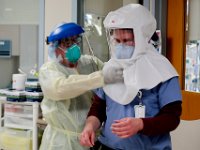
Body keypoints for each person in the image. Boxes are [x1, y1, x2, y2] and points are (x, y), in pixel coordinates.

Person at [80, 4, 182, 150]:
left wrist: (141, 124)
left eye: (127, 41)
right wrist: (90, 126)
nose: (121, 46)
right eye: (118, 41)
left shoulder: (162, 71)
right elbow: (99, 107)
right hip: (108, 146)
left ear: (142, 38)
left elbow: (172, 118)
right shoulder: (111, 68)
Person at [39, 22, 123, 150]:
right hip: (62, 143)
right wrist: (101, 78)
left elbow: (111, 72)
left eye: (75, 41)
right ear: (54, 47)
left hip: (91, 137)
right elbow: (60, 88)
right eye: (67, 43)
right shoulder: (49, 70)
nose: (73, 46)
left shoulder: (89, 62)